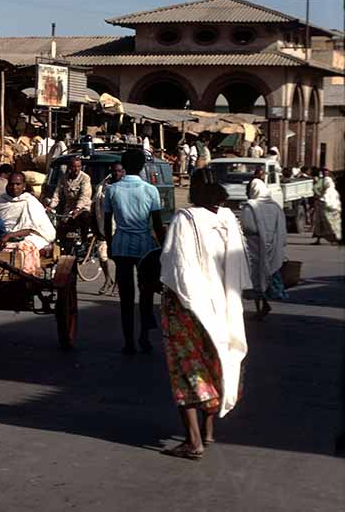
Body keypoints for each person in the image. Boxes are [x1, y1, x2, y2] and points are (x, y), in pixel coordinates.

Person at [158, 167, 249, 460]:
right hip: (223, 305)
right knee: (216, 361)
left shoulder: (185, 219)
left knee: (186, 368)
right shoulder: (228, 219)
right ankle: (208, 433)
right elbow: (241, 267)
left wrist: (177, 301)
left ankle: (193, 441)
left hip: (188, 308)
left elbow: (175, 266)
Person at [104, 149, 165, 355]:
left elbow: (106, 223)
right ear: (142, 166)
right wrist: (165, 249)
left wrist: (111, 247)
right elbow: (157, 224)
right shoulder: (150, 190)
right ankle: (144, 337)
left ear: (124, 165)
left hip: (120, 244)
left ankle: (128, 341)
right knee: (146, 294)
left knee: (126, 296)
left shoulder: (112, 190)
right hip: (145, 246)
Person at [0, 172, 57, 276]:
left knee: (24, 247)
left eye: (18, 184)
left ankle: (26, 275)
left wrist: (10, 235)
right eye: (11, 184)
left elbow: (33, 228)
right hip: (1, 237)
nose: (14, 187)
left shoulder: (31, 202)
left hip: (28, 236)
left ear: (24, 186)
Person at [240, 173, 287, 318]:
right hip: (273, 248)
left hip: (255, 248)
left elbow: (247, 227)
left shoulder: (250, 207)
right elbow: (282, 229)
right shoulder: (275, 207)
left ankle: (261, 306)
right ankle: (263, 305)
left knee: (256, 278)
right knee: (267, 275)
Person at [92, 162, 125, 295]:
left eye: (119, 171)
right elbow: (95, 205)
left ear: (123, 172)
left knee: (117, 258)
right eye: (114, 171)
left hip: (118, 227)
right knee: (102, 255)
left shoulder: (124, 187)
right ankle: (107, 279)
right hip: (103, 227)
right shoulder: (102, 186)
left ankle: (117, 284)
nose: (117, 173)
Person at [49, 155, 93, 244]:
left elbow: (84, 196)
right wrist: (51, 205)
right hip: (69, 208)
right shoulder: (64, 178)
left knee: (84, 219)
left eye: (78, 166)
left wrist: (77, 208)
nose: (76, 169)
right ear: (69, 167)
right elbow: (57, 193)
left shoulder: (85, 178)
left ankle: (84, 244)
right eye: (74, 166)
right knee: (61, 228)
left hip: (83, 208)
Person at [312, 167, 341, 245]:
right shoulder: (321, 180)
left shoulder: (328, 180)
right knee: (319, 221)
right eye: (323, 171)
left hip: (325, 202)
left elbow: (327, 189)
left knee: (326, 221)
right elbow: (315, 188)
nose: (324, 173)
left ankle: (333, 240)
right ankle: (318, 239)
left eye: (326, 171)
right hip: (320, 202)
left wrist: (320, 194)